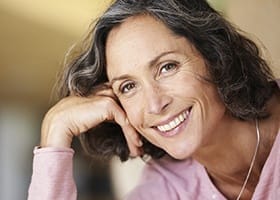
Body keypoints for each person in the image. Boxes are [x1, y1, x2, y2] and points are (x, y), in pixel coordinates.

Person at [28, 0, 280, 199]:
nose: (154, 104)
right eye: (128, 87)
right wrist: (56, 130)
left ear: (216, 57)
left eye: (167, 67)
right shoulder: (166, 186)